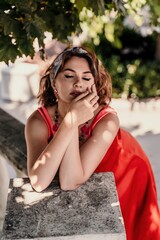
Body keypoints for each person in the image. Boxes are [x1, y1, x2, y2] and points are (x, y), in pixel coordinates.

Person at [25, 46, 160, 240]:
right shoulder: (38, 121)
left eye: (87, 78)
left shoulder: (108, 120)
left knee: (126, 228)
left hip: (126, 168)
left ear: (94, 86)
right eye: (69, 76)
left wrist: (72, 120)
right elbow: (39, 181)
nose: (79, 83)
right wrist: (71, 121)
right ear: (54, 84)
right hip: (84, 173)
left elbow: (70, 181)